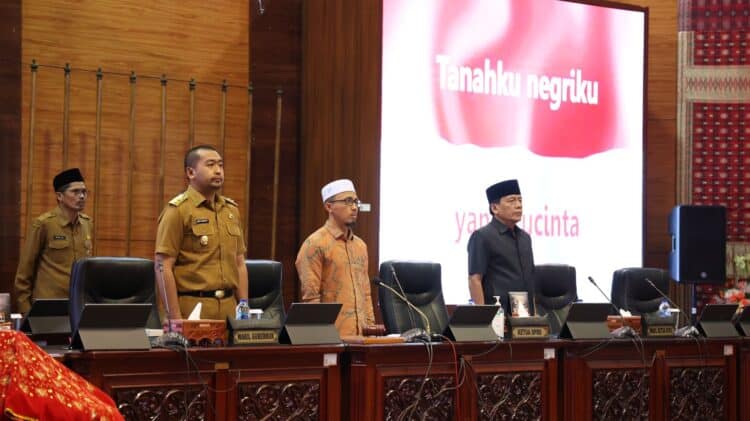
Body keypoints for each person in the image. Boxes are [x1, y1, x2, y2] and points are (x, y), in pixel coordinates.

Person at [154, 145, 248, 321]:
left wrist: (244, 308)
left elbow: (239, 263)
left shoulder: (231, 210)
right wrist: (174, 317)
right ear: (191, 172)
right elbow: (163, 266)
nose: (218, 170)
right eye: (210, 165)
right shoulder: (178, 210)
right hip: (193, 309)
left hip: (230, 310)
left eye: (220, 165)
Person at [295, 179, 375, 336]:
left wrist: (371, 331)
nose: (354, 207)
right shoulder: (314, 244)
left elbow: (366, 293)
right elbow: (311, 299)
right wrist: (322, 338)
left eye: (356, 202)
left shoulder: (360, 246)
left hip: (362, 339)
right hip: (333, 338)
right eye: (347, 201)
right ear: (329, 206)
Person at [14, 168, 93, 314]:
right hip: (47, 308)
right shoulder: (43, 224)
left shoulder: (87, 224)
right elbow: (24, 276)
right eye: (75, 192)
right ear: (59, 196)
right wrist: (28, 314)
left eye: (84, 192)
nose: (81, 196)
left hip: (78, 307)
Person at [467, 179, 535, 313]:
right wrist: (482, 317)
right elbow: (475, 280)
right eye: (511, 201)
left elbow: (530, 280)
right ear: (494, 208)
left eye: (520, 200)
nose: (518, 205)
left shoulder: (525, 238)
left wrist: (534, 314)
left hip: (524, 314)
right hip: (498, 313)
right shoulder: (482, 236)